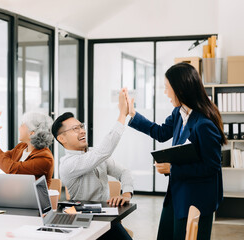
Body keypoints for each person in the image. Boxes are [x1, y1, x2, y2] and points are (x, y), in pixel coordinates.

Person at [127, 63, 226, 240]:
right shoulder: (179, 112)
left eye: (167, 88)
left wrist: (172, 169)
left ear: (180, 89)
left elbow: (211, 167)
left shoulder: (204, 124)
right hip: (177, 194)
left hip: (197, 199)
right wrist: (132, 113)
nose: (165, 93)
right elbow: (160, 132)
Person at [51, 89, 133, 240]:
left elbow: (124, 172)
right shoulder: (68, 164)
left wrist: (126, 194)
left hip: (106, 219)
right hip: (86, 224)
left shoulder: (94, 154)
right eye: (75, 129)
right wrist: (122, 114)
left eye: (81, 126)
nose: (82, 131)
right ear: (62, 138)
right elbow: (104, 151)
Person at [0, 112, 54, 187]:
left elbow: (12, 169)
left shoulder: (45, 159)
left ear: (32, 132)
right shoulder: (22, 147)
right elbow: (0, 160)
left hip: (31, 198)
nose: (19, 128)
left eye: (22, 125)